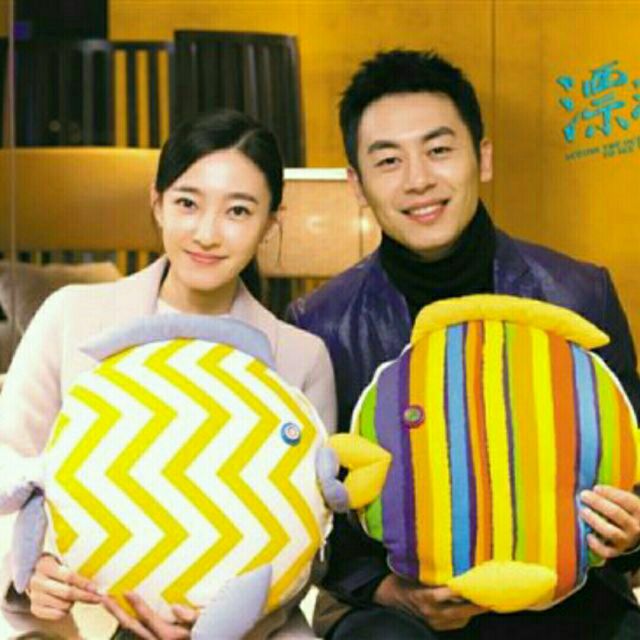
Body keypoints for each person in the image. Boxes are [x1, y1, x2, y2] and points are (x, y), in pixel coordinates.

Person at [286, 50, 640, 639]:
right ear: (357, 185)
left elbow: (631, 458)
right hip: (401, 608)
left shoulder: (581, 294)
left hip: (568, 597)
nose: (418, 179)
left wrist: (631, 533)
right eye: (388, 160)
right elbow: (312, 513)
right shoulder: (322, 325)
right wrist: (391, 591)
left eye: (439, 150)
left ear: (483, 157)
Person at [0, 109, 337, 640]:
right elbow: (8, 458)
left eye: (238, 210)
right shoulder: (72, 315)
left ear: (271, 222)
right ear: (156, 203)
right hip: (79, 612)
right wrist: (31, 566)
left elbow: (311, 529)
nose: (207, 233)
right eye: (187, 203)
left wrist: (231, 616)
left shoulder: (299, 355)